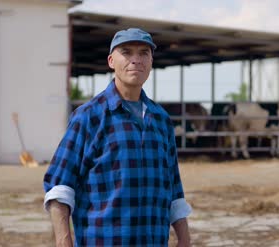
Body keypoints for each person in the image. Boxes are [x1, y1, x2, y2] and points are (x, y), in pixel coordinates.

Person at [43, 28, 192, 247]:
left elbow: (173, 188)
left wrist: (184, 238)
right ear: (111, 61)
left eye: (143, 53)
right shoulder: (89, 117)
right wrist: (64, 239)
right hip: (104, 241)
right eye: (127, 52)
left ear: (151, 62)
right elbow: (60, 186)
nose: (136, 60)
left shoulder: (161, 120)